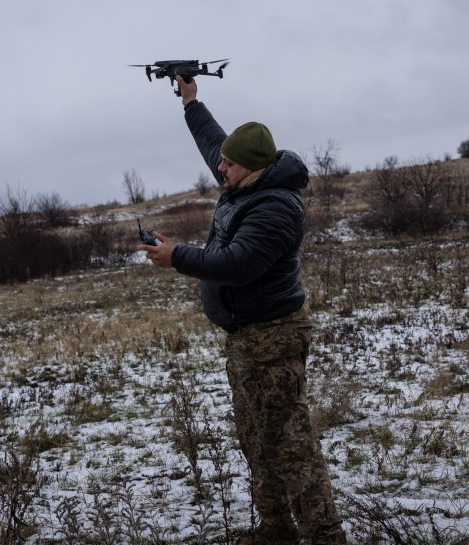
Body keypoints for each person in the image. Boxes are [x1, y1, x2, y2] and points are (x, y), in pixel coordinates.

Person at [140, 75, 346, 545]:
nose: (220, 166)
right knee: (256, 439)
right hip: (243, 337)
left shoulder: (275, 206)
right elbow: (215, 141)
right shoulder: (243, 177)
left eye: (228, 164)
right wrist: (191, 101)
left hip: (273, 337)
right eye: (222, 161)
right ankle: (276, 530)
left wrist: (177, 256)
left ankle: (327, 537)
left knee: (291, 445)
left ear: (249, 169)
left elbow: (238, 264)